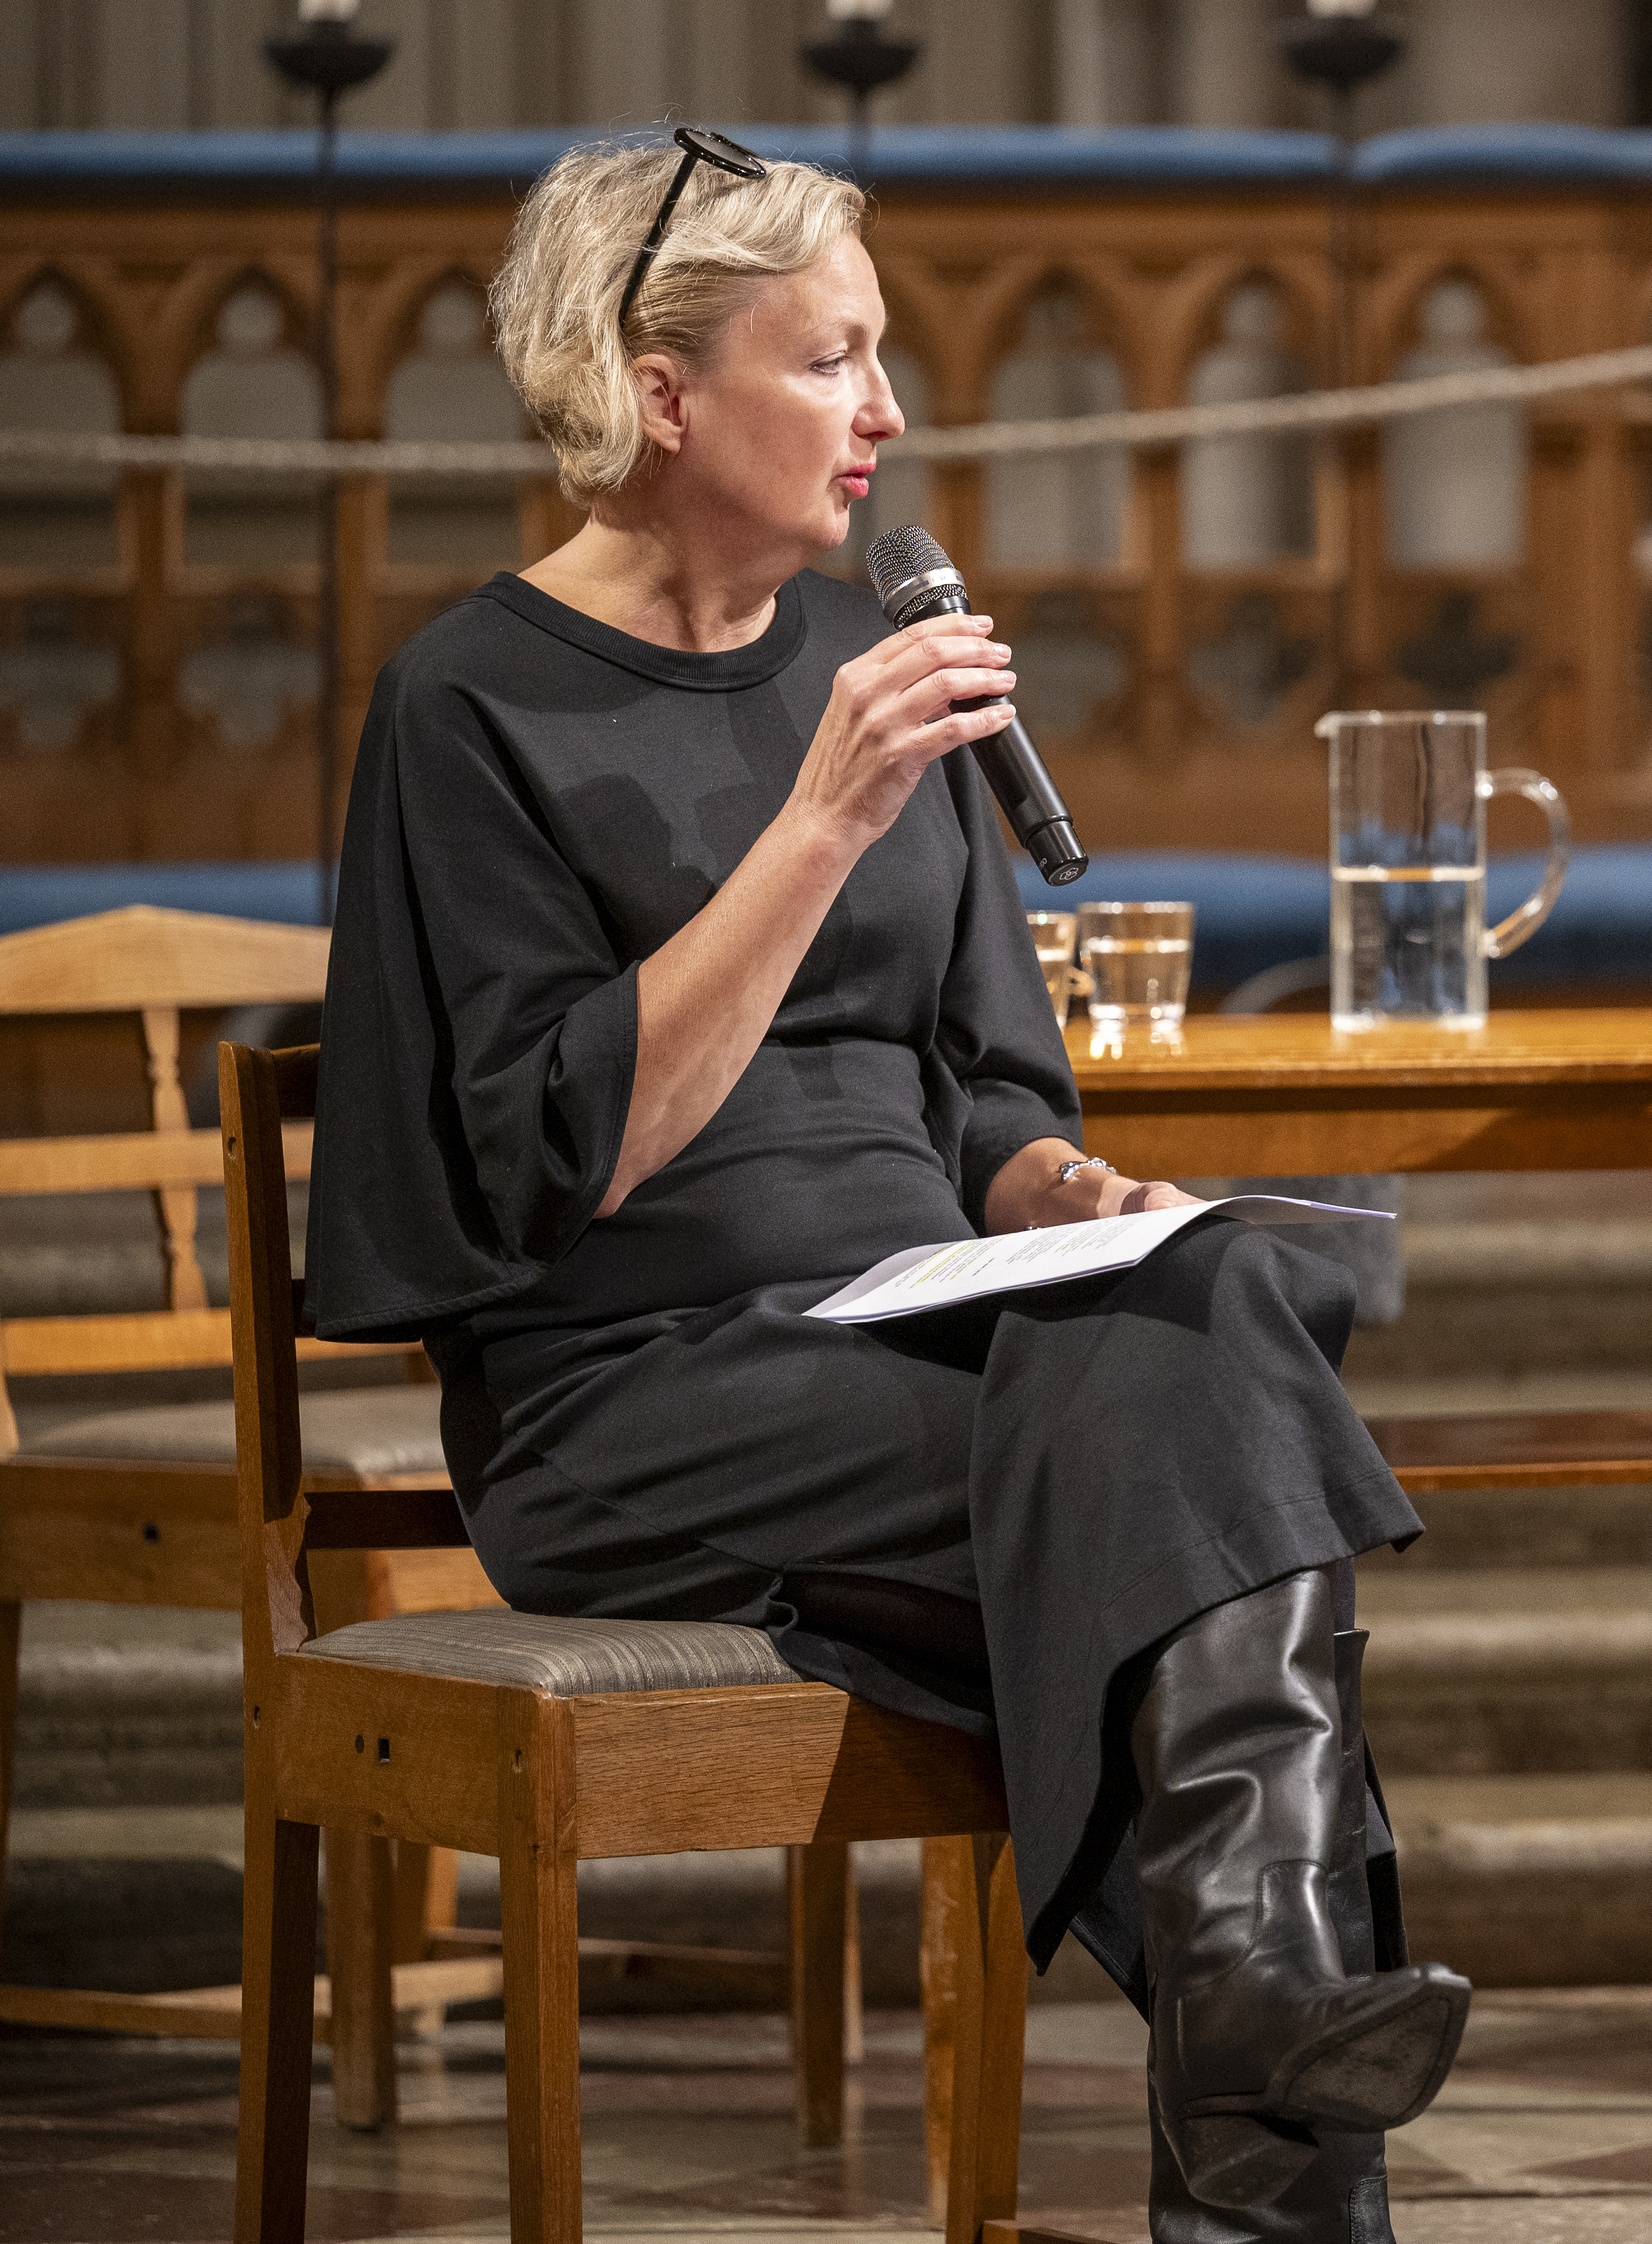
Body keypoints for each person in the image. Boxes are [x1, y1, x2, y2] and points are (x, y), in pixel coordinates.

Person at [307, 129, 1456, 2244]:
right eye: (833, 360)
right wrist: (823, 818)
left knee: (1202, 1312)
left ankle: (1263, 2006)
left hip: (918, 1340)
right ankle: (1280, 2043)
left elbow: (975, 1080)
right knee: (1198, 1447)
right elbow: (553, 1164)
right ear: (666, 393)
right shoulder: (473, 705)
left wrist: (1041, 1179)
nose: (889, 416)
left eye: (882, 359)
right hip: (631, 1393)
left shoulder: (860, 653)